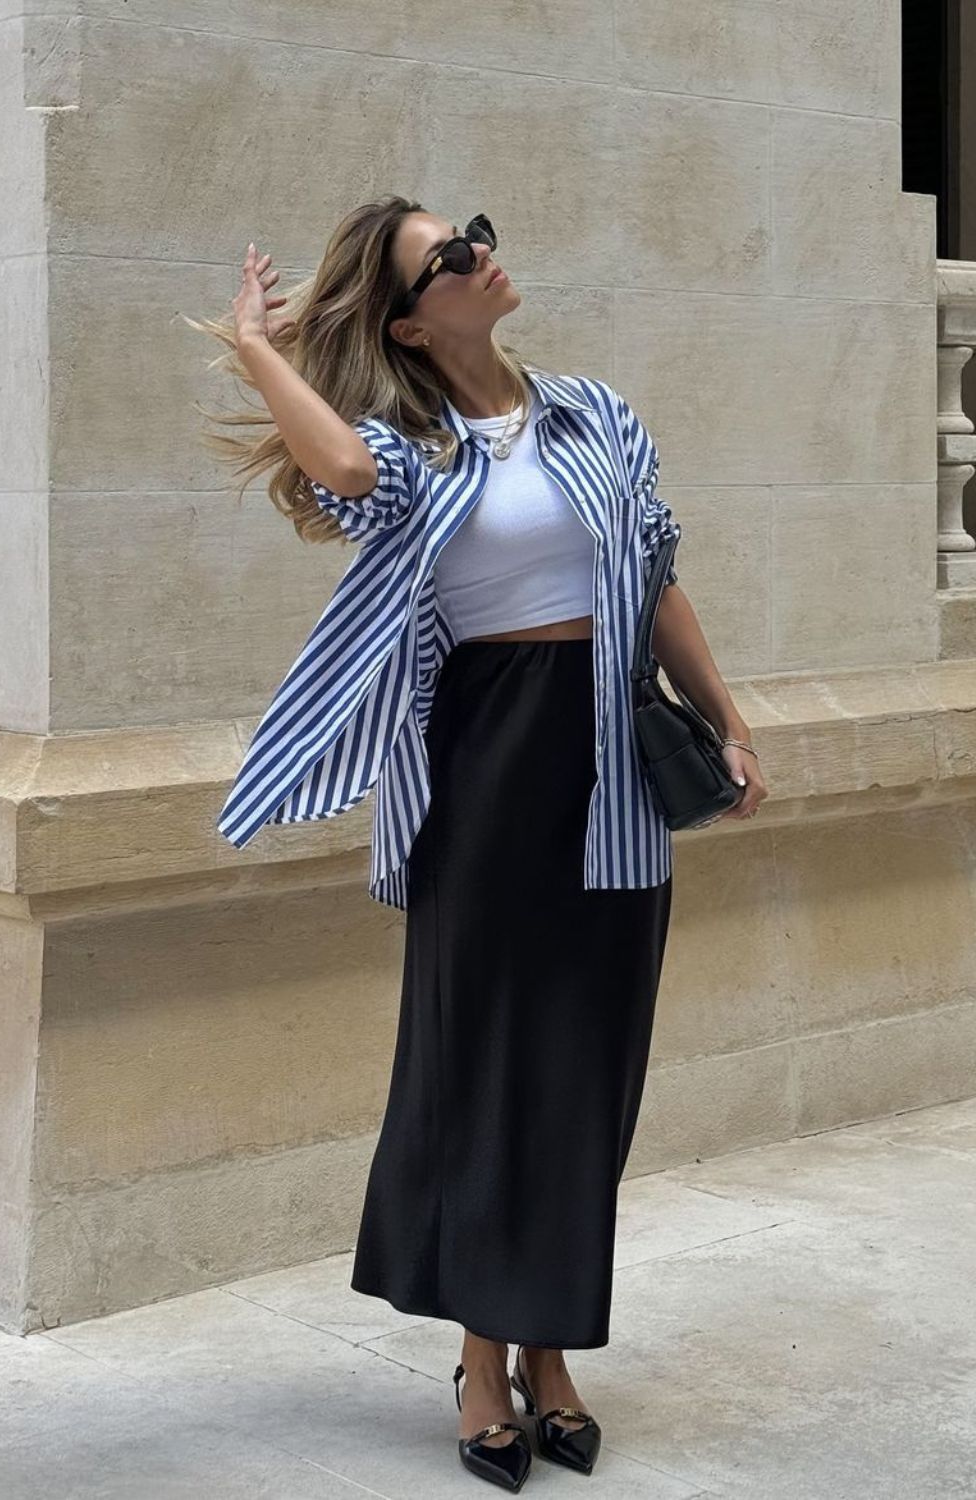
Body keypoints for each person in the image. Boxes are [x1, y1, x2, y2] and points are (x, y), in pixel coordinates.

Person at [188, 196, 768, 1491]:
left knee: (589, 1069)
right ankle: (487, 1362)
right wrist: (255, 349)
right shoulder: (414, 453)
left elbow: (657, 578)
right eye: (449, 258)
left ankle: (556, 1352)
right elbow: (337, 471)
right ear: (409, 317)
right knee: (489, 1065)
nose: (481, 255)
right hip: (488, 767)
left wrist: (728, 721)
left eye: (476, 233)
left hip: (609, 771)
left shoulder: (599, 418)